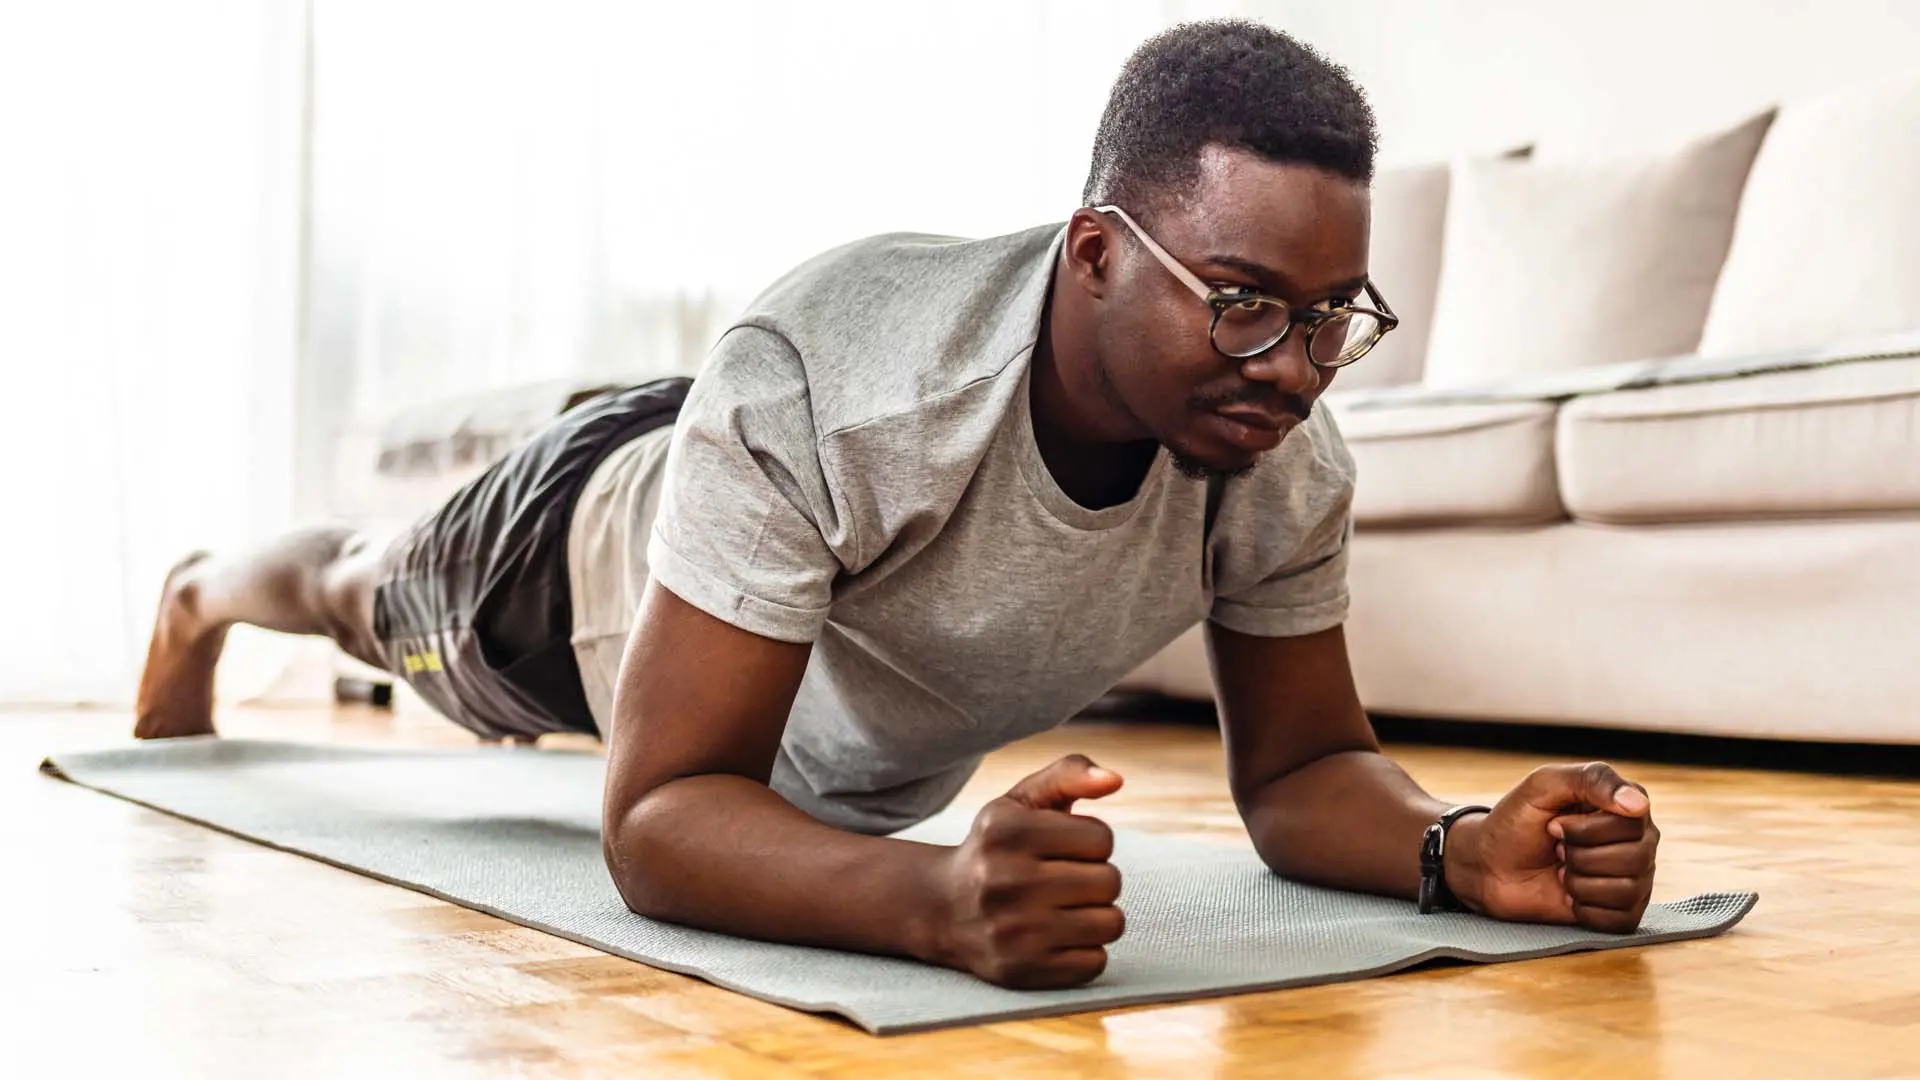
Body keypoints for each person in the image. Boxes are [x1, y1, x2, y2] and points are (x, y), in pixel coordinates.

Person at [133, 19, 1660, 991]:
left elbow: (1310, 764)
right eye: (1249, 302)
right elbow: (659, 817)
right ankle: (201, 588)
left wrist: (1457, 849)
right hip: (581, 558)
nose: (1299, 369)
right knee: (364, 586)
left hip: (763, 449)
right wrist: (935, 904)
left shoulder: (1278, 454)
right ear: (1095, 255)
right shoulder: (833, 384)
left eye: (1338, 315)